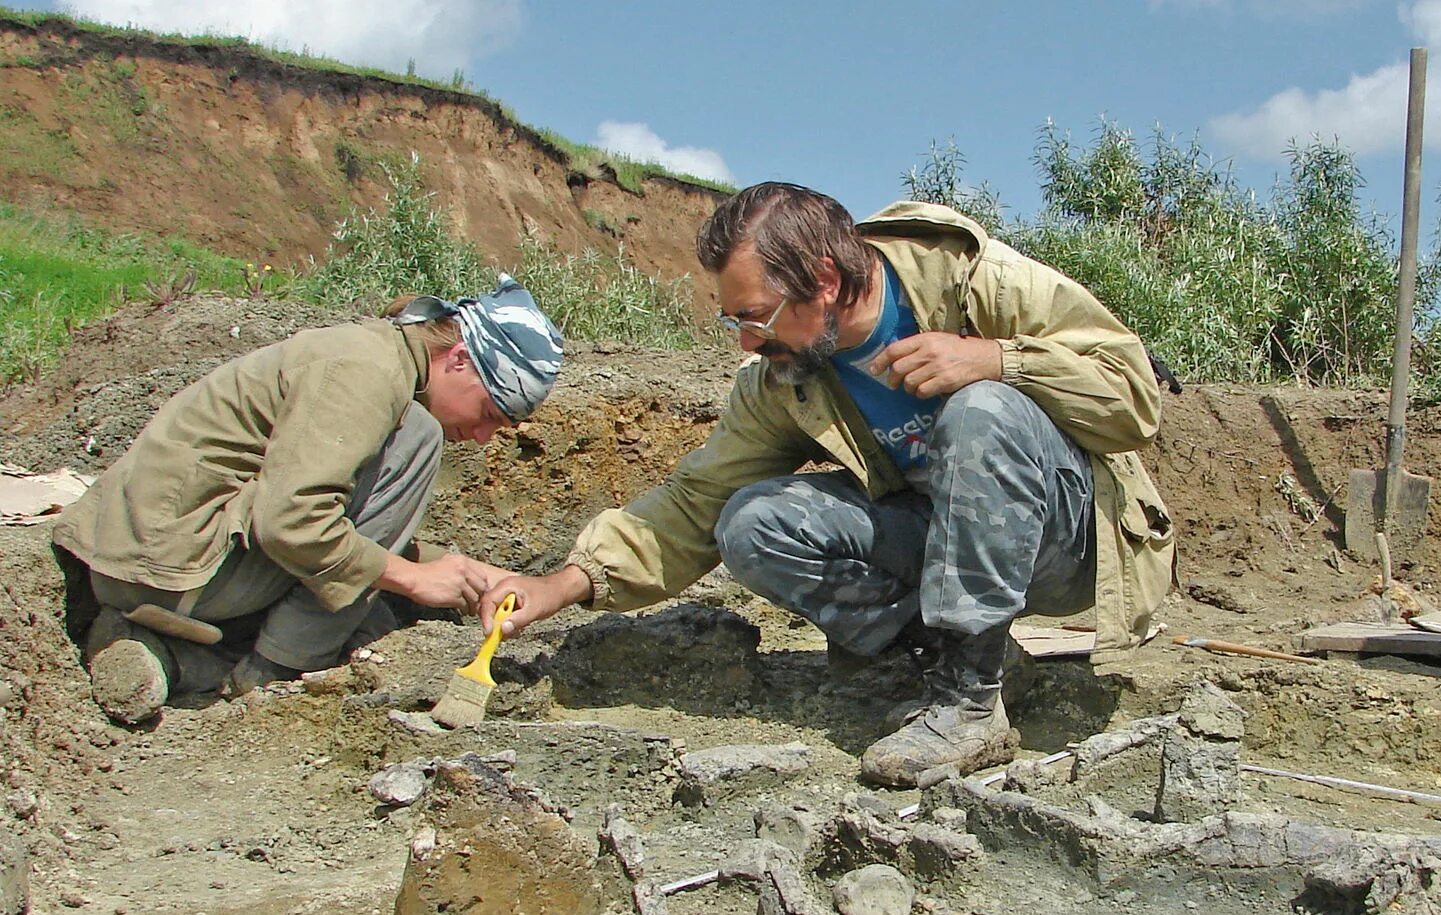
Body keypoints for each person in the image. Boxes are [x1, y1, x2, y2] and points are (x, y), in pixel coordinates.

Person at [484, 183, 1175, 786]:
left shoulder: (972, 279)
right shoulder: (786, 377)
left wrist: (997, 359)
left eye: (754, 317)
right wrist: (566, 583)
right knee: (752, 520)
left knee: (981, 410)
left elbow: (1134, 393)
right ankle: (967, 665)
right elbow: (696, 500)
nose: (746, 343)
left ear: (822, 278)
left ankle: (969, 708)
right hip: (941, 541)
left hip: (1071, 539)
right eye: (735, 321)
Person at [51, 275, 565, 724]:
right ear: (458, 358)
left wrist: (457, 569)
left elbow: (320, 514)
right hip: (174, 569)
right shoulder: (366, 376)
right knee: (414, 449)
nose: (481, 436)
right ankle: (274, 672)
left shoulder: (374, 355)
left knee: (369, 602)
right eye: (491, 412)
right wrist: (411, 578)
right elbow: (291, 518)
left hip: (147, 562)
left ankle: (171, 657)